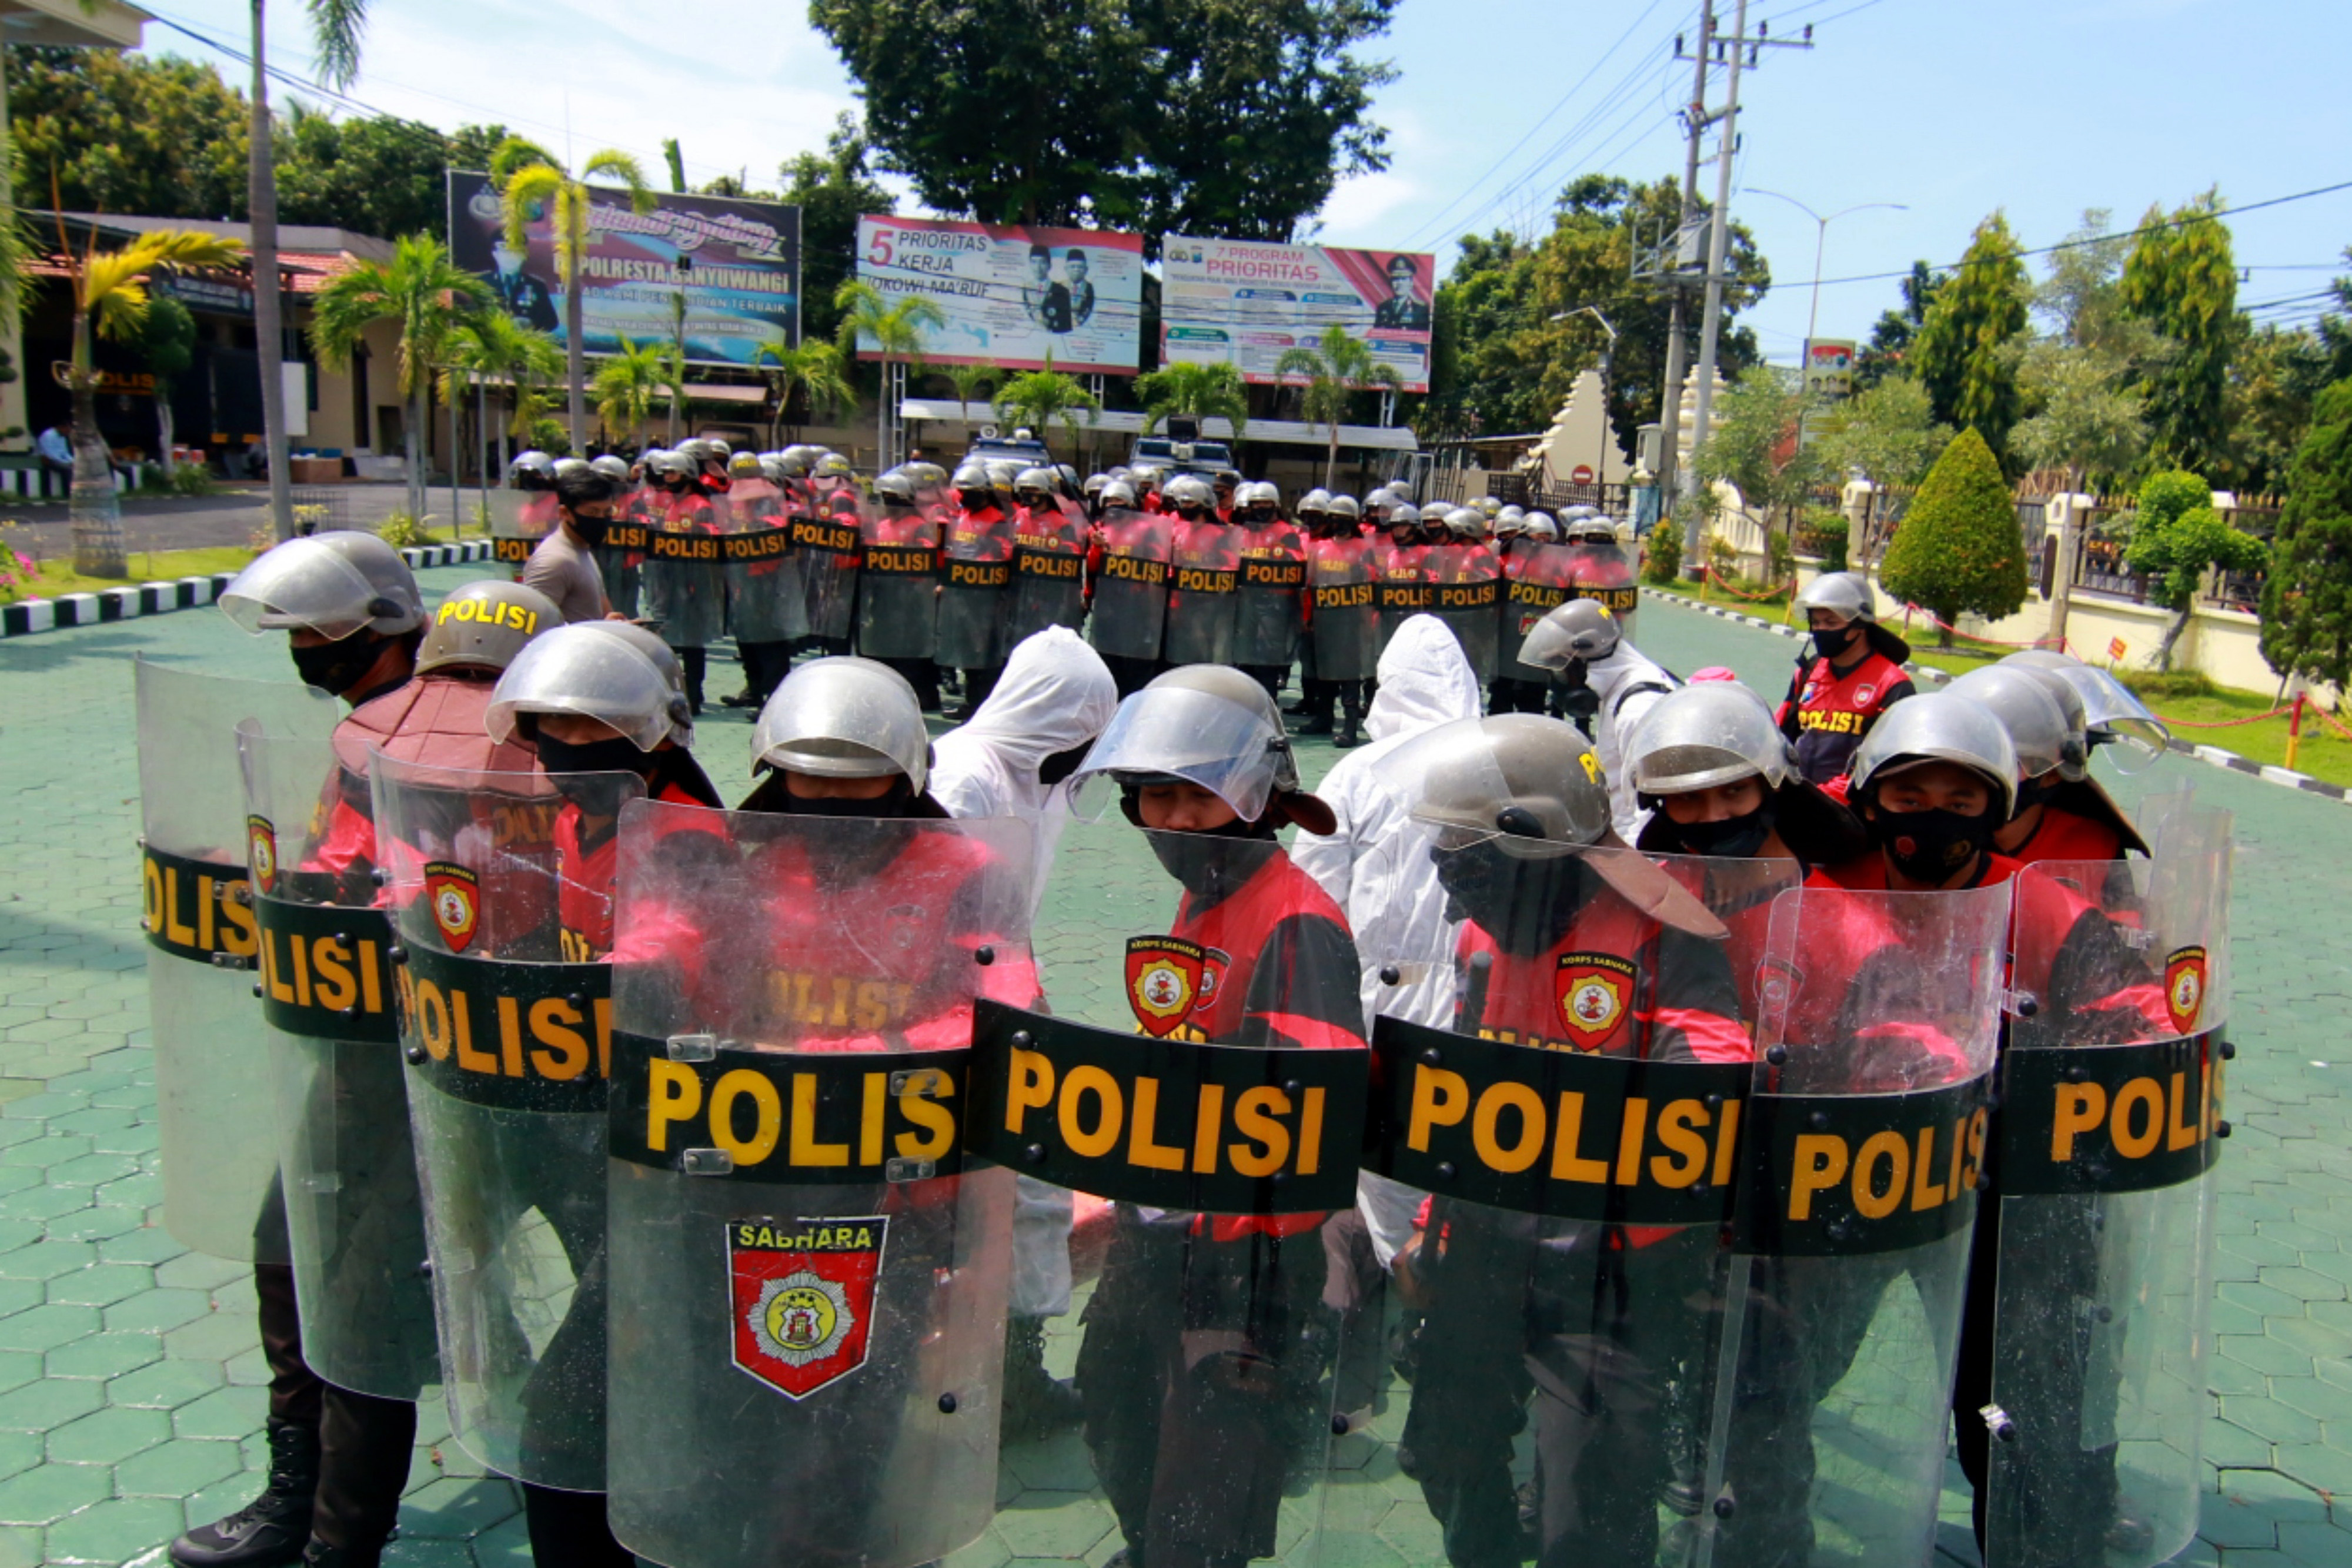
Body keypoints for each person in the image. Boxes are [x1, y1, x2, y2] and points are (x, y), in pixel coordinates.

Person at [194, 549, 553, 1568]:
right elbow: (334, 868)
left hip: (515, 1077)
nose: (311, 653)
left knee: (376, 1291)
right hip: (375, 1056)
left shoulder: (577, 781)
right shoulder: (370, 751)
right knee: (294, 1253)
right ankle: (301, 1491)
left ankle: (343, 1530)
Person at [1387, 711, 1743, 1568]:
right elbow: (1464, 1093)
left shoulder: (1659, 925)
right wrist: (1431, 1224)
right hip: (1483, 1239)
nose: (1448, 860)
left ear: (1534, 838)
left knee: (1590, 1508)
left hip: (1610, 1265)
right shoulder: (1485, 929)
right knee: (1444, 1450)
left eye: (1467, 843)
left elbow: (1711, 1066)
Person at [1063, 665, 1363, 1568]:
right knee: (1114, 1402)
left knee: (1210, 1460)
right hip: (1164, 1223)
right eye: (1158, 794)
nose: (1179, 818)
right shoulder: (1210, 894)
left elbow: (1309, 1099)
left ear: (1254, 795)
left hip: (1245, 1251)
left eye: (1200, 795)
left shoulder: (1295, 917)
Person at [471, 621, 722, 1568]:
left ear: (653, 736)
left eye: (594, 730)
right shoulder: (582, 820)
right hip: (595, 1138)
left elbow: (660, 959)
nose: (567, 751)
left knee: (563, 1420)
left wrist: (598, 987)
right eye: (551, 729)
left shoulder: (688, 840)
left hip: (680, 1166)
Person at [927, 625, 1118, 1441]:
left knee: (1031, 1184)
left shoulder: (1033, 778)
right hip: (943, 1011)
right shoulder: (964, 776)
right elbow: (931, 908)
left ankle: (1015, 1366)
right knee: (975, 1189)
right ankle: (968, 1370)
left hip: (1002, 999)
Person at [1289, 614, 1483, 1272]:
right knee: (1450, 1158)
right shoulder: (1495, 767)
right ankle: (1428, 1284)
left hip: (1373, 992)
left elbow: (1314, 894)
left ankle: (1368, 1291)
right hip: (1472, 998)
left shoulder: (1356, 773)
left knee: (1371, 1160)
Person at [1948, 664, 2147, 865]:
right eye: (1964, 756)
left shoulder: (2091, 849)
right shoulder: (1929, 839)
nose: (1974, 772)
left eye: (2007, 761)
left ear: (2053, 775)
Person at [1516, 599, 1678, 842]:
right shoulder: (1617, 691)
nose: (1559, 682)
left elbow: (1651, 812)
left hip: (1631, 843)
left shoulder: (1637, 709)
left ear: (1583, 659)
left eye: (1561, 670)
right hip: (1616, 833)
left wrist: (1633, 862)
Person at [1775, 571, 1916, 787]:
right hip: (1799, 796)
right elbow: (1782, 733)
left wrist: (1831, 794)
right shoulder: (1807, 673)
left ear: (1860, 625)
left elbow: (1889, 759)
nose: (1821, 630)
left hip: (1851, 802)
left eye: (1831, 623)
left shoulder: (1892, 684)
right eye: (1816, 623)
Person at [940, 462, 1018, 718]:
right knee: (967, 651)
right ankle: (971, 703)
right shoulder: (962, 515)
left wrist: (980, 561)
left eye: (969, 492)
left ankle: (982, 707)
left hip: (985, 595)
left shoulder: (997, 519)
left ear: (984, 493)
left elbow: (1004, 552)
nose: (963, 496)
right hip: (961, 593)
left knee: (983, 652)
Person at [522, 464, 623, 623]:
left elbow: (601, 613)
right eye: (592, 512)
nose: (601, 519)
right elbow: (533, 627)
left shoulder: (582, 549)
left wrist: (615, 624)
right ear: (565, 513)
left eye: (607, 512)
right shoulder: (554, 562)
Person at [486, 240, 559, 333]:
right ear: (495, 254)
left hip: (525, 339)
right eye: (505, 251)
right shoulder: (482, 283)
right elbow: (471, 316)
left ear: (524, 255)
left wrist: (532, 324)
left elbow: (552, 321)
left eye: (516, 252)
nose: (511, 256)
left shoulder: (537, 286)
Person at [1025, 243, 1075, 334]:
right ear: (1030, 265)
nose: (1038, 267)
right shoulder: (1024, 290)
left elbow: (1065, 327)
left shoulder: (1062, 291)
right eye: (1034, 262)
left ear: (1050, 265)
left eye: (1043, 262)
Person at [1373, 254, 1431, 331]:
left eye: (1404, 279)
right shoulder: (1383, 307)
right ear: (1391, 282)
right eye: (1396, 279)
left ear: (1411, 283)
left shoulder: (1420, 308)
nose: (1400, 283)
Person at [1066, 249, 1095, 328]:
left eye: (1080, 267)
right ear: (1066, 269)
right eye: (1073, 267)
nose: (1076, 270)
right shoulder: (1058, 287)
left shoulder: (1090, 289)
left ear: (1086, 270)